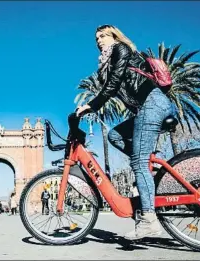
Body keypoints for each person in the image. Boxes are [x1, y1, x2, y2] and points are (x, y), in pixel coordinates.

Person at [76, 24, 175, 240]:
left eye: (103, 35)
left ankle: (149, 220)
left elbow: (113, 84)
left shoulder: (121, 49)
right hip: (145, 109)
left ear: (114, 36)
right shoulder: (106, 62)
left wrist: (91, 105)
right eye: (96, 38)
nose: (99, 40)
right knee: (115, 136)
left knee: (138, 162)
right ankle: (145, 170)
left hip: (153, 103)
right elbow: (112, 85)